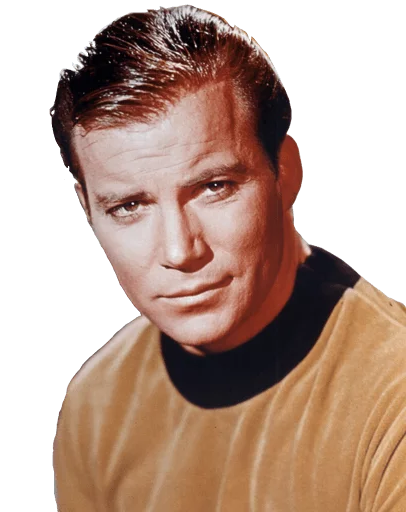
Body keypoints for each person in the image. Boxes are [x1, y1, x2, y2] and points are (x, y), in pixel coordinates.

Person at [49, 5, 406, 511]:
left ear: (285, 173)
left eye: (214, 187)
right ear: (87, 211)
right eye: (129, 206)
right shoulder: (95, 404)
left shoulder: (395, 394)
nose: (180, 251)